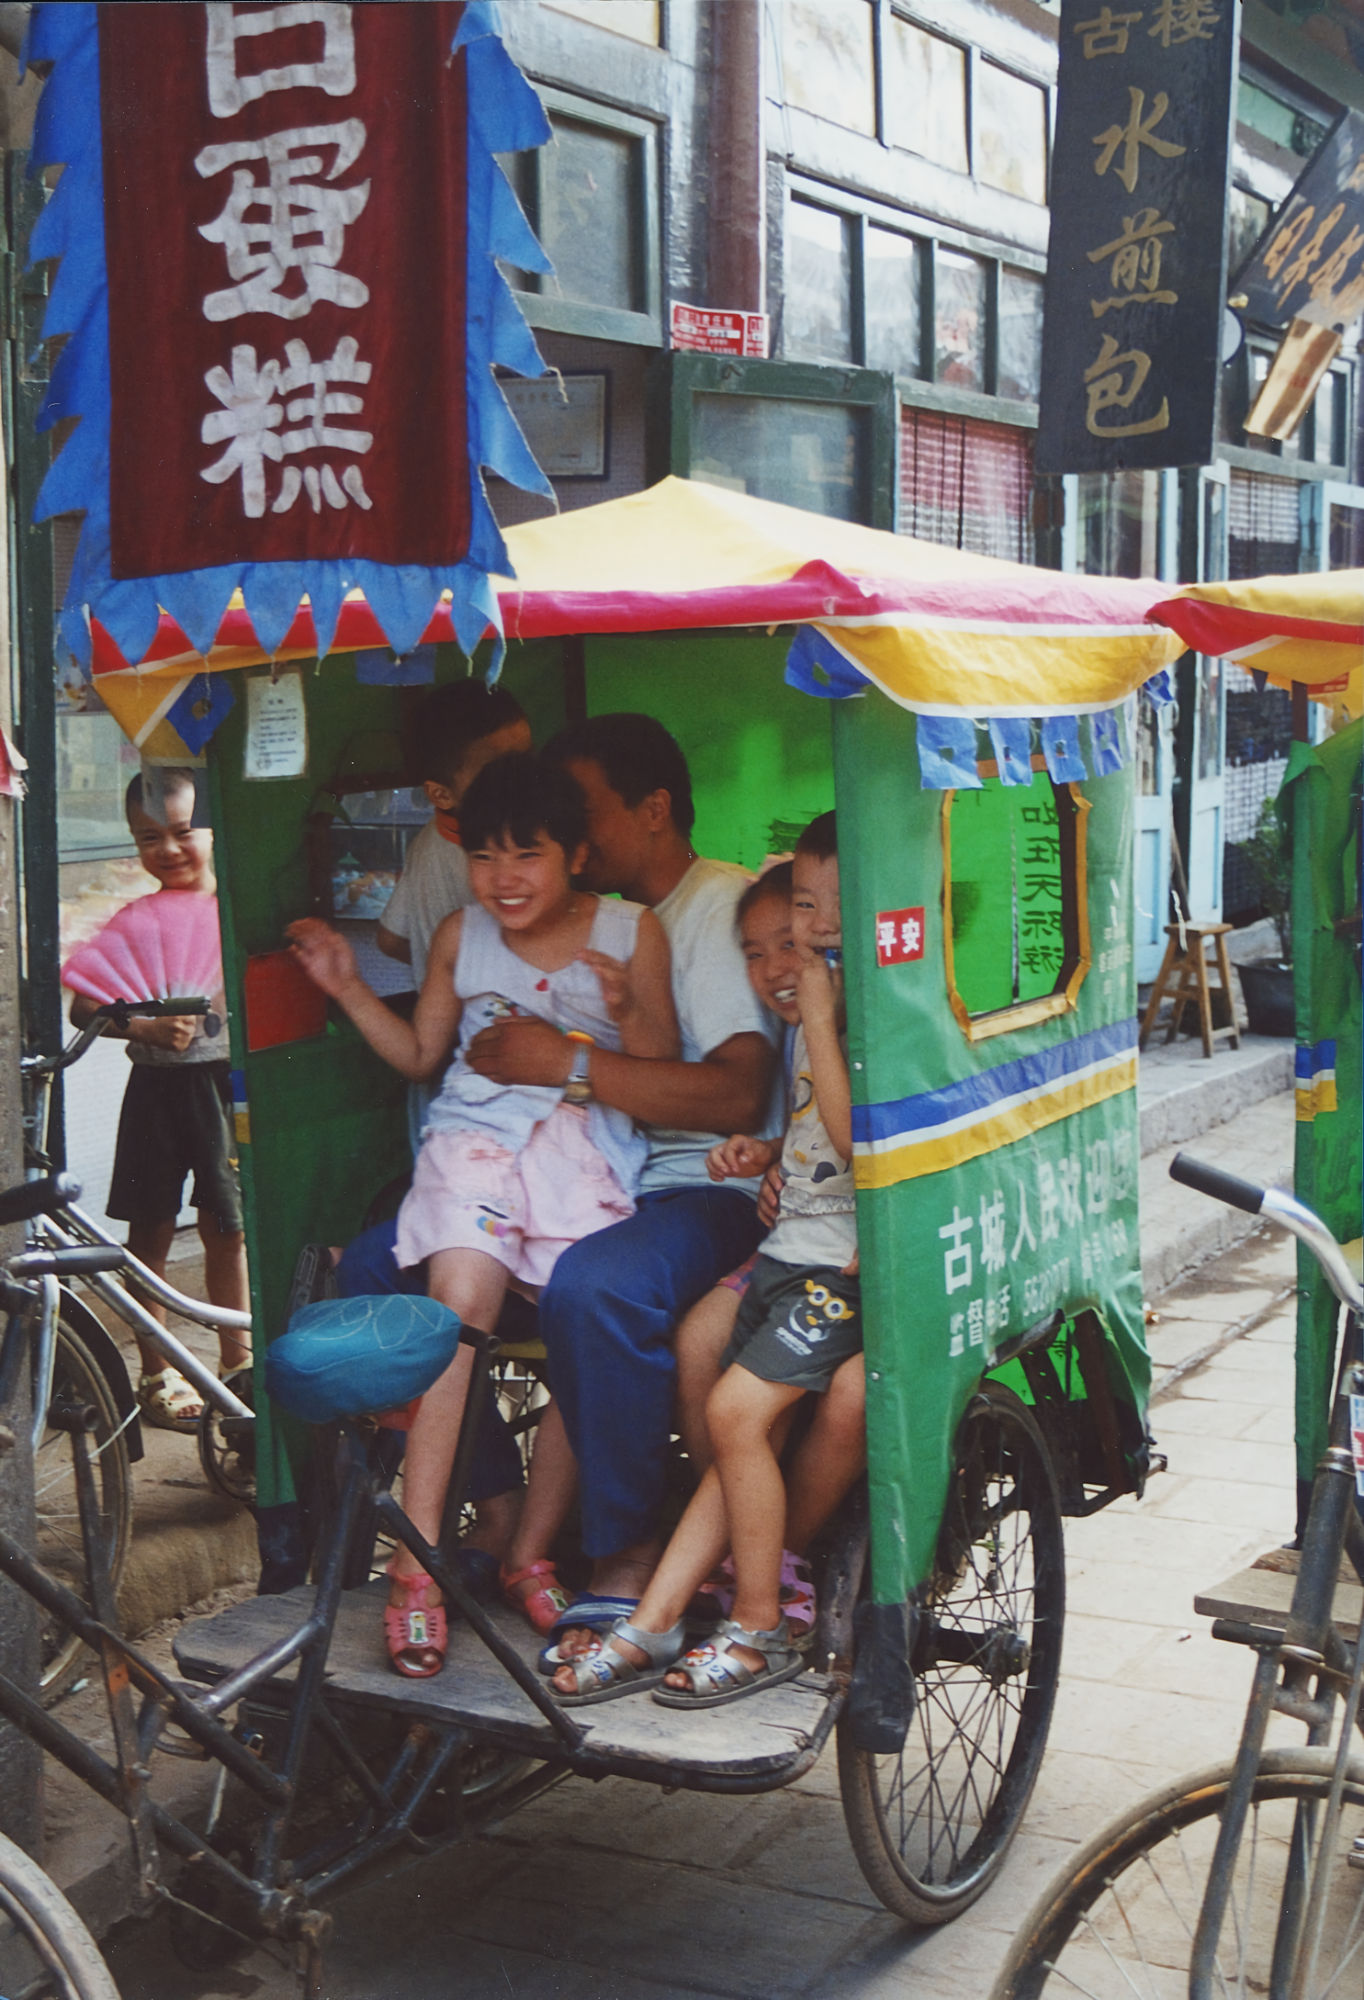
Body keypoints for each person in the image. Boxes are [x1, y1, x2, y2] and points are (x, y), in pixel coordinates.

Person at [288, 752, 679, 1678]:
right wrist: (345, 985)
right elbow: (422, 1055)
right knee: (457, 1309)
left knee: (582, 1316)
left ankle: (527, 1552)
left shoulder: (631, 932)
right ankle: (416, 1565)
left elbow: (662, 1063)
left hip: (584, 1151)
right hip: (475, 1144)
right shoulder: (462, 935)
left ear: (575, 855)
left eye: (527, 854)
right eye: (485, 856)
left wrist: (627, 1009)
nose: (504, 878)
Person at [463, 714, 778, 1643]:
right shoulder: (577, 914)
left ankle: (627, 1550)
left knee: (597, 1287)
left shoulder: (714, 905)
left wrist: (565, 1064)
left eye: (584, 811)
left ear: (654, 809)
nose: (571, 834)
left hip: (702, 1186)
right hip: (578, 1176)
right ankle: (498, 1511)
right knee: (384, 1261)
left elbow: (735, 1093)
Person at [548, 810, 859, 1705]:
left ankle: (761, 1619)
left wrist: (823, 1022)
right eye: (802, 908)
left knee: (734, 1412)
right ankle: (655, 1619)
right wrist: (769, 1157)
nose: (811, 932)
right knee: (713, 1383)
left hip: (842, 1270)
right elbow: (819, 1141)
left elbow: (861, 1144)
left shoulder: (858, 1013)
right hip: (790, 1252)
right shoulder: (808, 1011)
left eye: (829, 908)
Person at [67, 770, 249, 1430]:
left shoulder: (238, 911)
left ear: (213, 831)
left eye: (182, 832)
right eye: (148, 838)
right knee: (149, 1232)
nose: (168, 849)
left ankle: (238, 1366)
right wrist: (142, 1026)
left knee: (228, 1228)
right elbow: (85, 1005)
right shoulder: (135, 920)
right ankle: (157, 1374)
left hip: (223, 1086)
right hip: (155, 1091)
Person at [376, 677, 532, 1139]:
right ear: (441, 794)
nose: (520, 781)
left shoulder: (427, 841)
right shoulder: (495, 861)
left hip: (450, 1065)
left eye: (526, 761)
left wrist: (434, 968)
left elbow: (390, 938)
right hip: (479, 1075)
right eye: (499, 770)